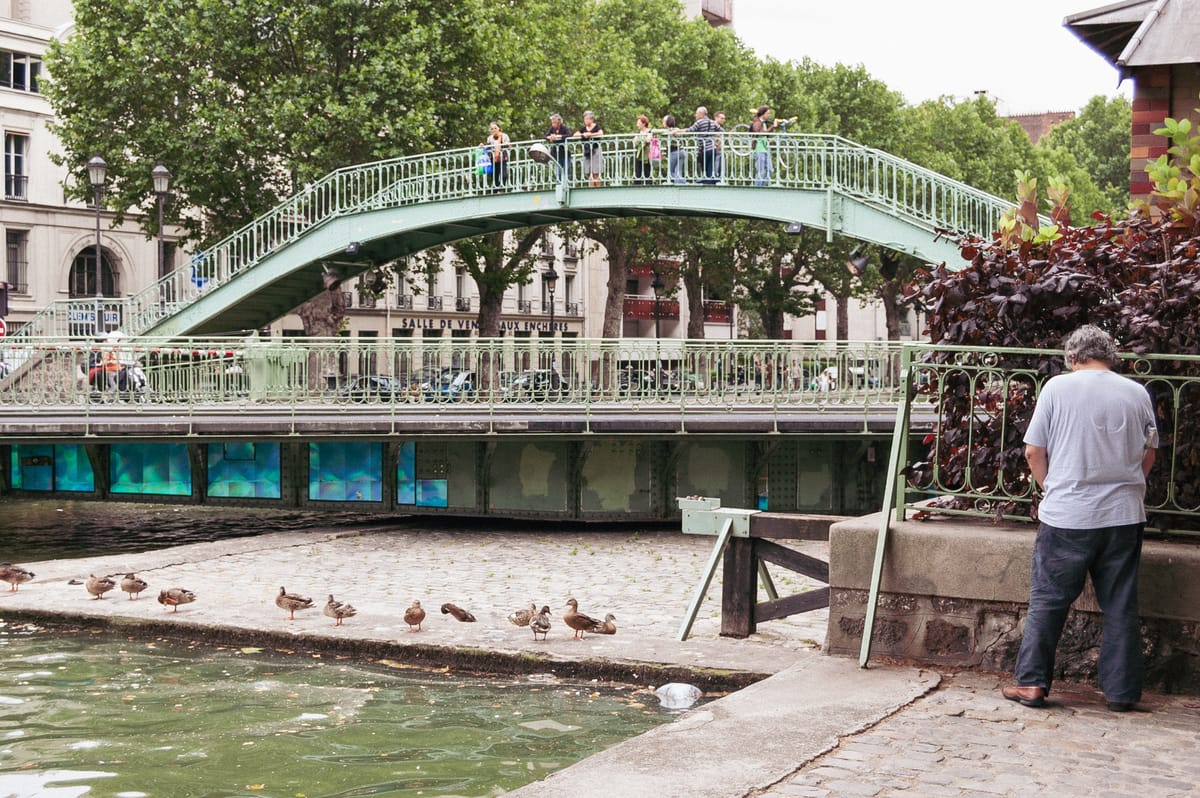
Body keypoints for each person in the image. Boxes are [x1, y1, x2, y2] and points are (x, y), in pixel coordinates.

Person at [1003, 325, 1157, 713]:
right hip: (1123, 515)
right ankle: (1121, 693)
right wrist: (1128, 486)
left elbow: (1033, 451)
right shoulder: (1137, 392)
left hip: (1068, 515)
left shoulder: (1057, 388)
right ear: (1110, 357)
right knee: (1121, 604)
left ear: (1072, 357)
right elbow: (1150, 453)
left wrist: (1051, 487)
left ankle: (1033, 684)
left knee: (1049, 602)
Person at [686, 106, 720, 184]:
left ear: (701, 114)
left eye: (697, 113)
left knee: (704, 167)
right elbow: (720, 130)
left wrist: (678, 130)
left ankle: (707, 182)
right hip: (713, 148)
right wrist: (714, 135)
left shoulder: (699, 122)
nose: (696, 115)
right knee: (710, 167)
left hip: (704, 149)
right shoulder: (712, 122)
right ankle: (711, 183)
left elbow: (689, 130)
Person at [750, 105, 781, 187]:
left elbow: (764, 135)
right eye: (768, 113)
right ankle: (757, 188)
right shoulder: (757, 122)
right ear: (762, 114)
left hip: (765, 149)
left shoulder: (763, 123)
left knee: (770, 170)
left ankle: (762, 186)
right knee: (760, 171)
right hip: (758, 149)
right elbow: (760, 133)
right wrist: (772, 127)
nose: (769, 115)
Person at [575, 111, 604, 187]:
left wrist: (590, 134)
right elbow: (575, 135)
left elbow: (601, 133)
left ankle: (597, 189)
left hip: (595, 150)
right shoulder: (583, 128)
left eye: (588, 119)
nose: (586, 121)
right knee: (588, 172)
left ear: (591, 119)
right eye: (585, 119)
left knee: (596, 172)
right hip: (587, 151)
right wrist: (583, 134)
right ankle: (591, 188)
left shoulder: (596, 126)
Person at [544, 113, 573, 180]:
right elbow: (545, 136)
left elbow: (569, 135)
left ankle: (567, 185)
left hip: (565, 153)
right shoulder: (552, 129)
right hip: (556, 154)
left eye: (554, 123)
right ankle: (559, 185)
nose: (553, 124)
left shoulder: (564, 128)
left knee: (566, 171)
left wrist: (559, 136)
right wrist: (550, 137)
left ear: (559, 122)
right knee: (558, 173)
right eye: (552, 123)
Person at [485, 121, 510, 191]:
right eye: (492, 129)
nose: (493, 130)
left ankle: (502, 189)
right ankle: (496, 191)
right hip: (493, 159)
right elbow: (488, 148)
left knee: (504, 175)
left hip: (502, 158)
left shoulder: (504, 136)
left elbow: (508, 145)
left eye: (495, 128)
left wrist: (501, 144)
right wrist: (483, 146)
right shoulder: (490, 138)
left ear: (499, 128)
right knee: (495, 177)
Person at [662, 114, 685, 184]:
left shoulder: (667, 131)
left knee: (671, 171)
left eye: (663, 121)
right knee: (678, 171)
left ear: (667, 122)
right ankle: (680, 184)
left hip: (674, 152)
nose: (662, 123)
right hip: (682, 152)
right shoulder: (677, 129)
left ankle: (683, 182)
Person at [632, 114, 653, 185]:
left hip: (647, 155)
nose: (637, 125)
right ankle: (636, 188)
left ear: (644, 124)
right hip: (639, 154)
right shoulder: (638, 132)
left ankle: (649, 188)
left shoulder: (650, 131)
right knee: (637, 172)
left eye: (638, 123)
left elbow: (648, 140)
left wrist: (640, 139)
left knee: (647, 172)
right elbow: (634, 141)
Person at [713, 111, 726, 182]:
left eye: (724, 118)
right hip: (714, 150)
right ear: (716, 118)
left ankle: (718, 180)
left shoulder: (721, 129)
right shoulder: (711, 126)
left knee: (720, 168)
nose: (723, 120)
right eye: (721, 118)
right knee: (714, 168)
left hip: (719, 151)